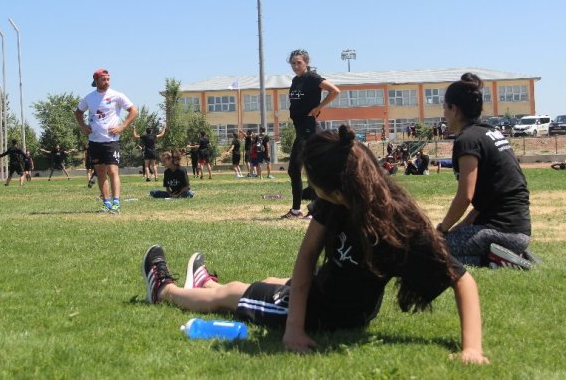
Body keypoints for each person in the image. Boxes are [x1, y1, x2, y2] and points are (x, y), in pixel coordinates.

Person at [142, 126, 488, 364]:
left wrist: (472, 348)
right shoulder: (341, 199)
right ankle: (203, 284)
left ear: (337, 189)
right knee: (274, 282)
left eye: (313, 184)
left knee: (233, 294)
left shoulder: (400, 227)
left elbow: (463, 279)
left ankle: (164, 290)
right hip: (327, 293)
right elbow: (307, 257)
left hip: (327, 316)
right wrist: (293, 325)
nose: (311, 190)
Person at [436, 73, 533, 270]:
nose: (444, 113)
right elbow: (487, 199)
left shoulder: (467, 140)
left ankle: (494, 259)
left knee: (433, 252)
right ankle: (510, 253)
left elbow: (465, 196)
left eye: (445, 107)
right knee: (448, 243)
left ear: (454, 109)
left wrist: (442, 230)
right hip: (519, 230)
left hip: (501, 231)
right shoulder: (489, 132)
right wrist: (459, 228)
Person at [282, 49, 340, 219]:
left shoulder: (312, 77)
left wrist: (318, 108)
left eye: (298, 62)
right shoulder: (295, 80)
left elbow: (335, 91)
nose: (295, 65)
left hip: (310, 129)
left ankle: (316, 211)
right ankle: (295, 210)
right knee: (294, 170)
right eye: (292, 63)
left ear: (306, 62)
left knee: (313, 171)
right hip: (300, 130)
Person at [75, 68, 138, 214]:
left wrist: (123, 126)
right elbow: (78, 112)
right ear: (96, 80)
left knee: (113, 171)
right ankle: (106, 203)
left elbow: (133, 110)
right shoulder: (89, 98)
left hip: (111, 140)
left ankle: (116, 203)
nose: (107, 81)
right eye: (103, 79)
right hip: (95, 141)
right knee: (101, 172)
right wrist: (83, 126)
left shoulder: (117, 95)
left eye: (108, 79)